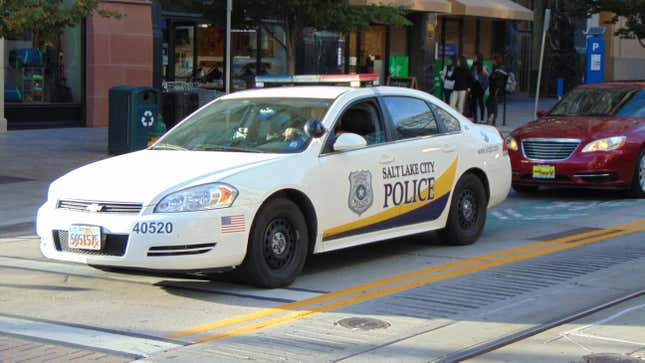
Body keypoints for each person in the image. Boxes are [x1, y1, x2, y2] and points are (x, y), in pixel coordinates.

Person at [487, 54, 507, 125]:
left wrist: (487, 73)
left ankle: (492, 119)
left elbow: (493, 77)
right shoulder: (498, 68)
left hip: (496, 89)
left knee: (493, 104)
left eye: (493, 60)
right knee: (490, 103)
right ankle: (491, 118)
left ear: (496, 60)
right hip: (494, 88)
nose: (492, 62)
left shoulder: (500, 68)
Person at [468, 52, 489, 123]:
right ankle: (474, 117)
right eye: (473, 57)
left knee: (480, 102)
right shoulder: (473, 66)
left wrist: (484, 87)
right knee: (472, 102)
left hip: (480, 86)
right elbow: (470, 76)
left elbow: (487, 77)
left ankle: (482, 119)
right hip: (474, 86)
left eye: (475, 57)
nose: (473, 59)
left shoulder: (484, 66)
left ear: (478, 58)